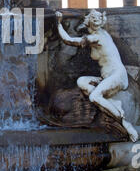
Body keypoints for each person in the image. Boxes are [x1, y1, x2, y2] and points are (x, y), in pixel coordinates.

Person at [56, 9, 138, 142]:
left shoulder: (97, 37)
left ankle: (125, 124)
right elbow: (82, 27)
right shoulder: (99, 32)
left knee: (94, 96)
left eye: (98, 18)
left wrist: (58, 23)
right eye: (93, 18)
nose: (96, 20)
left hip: (117, 75)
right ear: (89, 21)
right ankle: (109, 103)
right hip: (108, 77)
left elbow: (69, 40)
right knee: (81, 81)